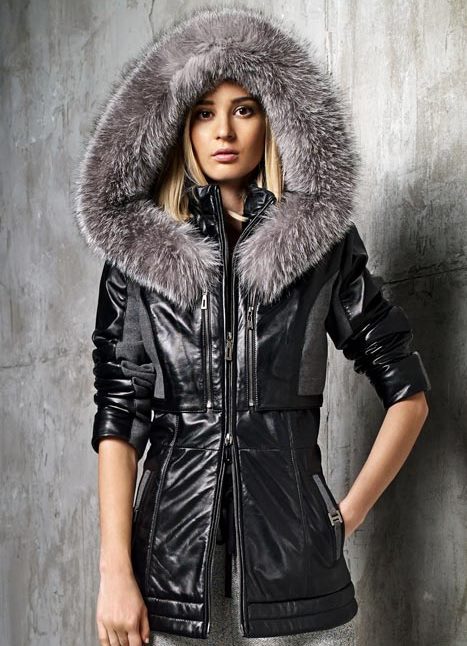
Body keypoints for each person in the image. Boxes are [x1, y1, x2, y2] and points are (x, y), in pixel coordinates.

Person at [74, 6, 431, 646]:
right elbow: (120, 414)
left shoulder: (320, 247)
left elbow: (409, 394)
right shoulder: (141, 253)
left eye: (243, 108)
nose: (223, 130)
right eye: (203, 112)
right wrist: (114, 572)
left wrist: (339, 520)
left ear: (274, 118)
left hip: (297, 573)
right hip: (169, 572)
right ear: (178, 124)